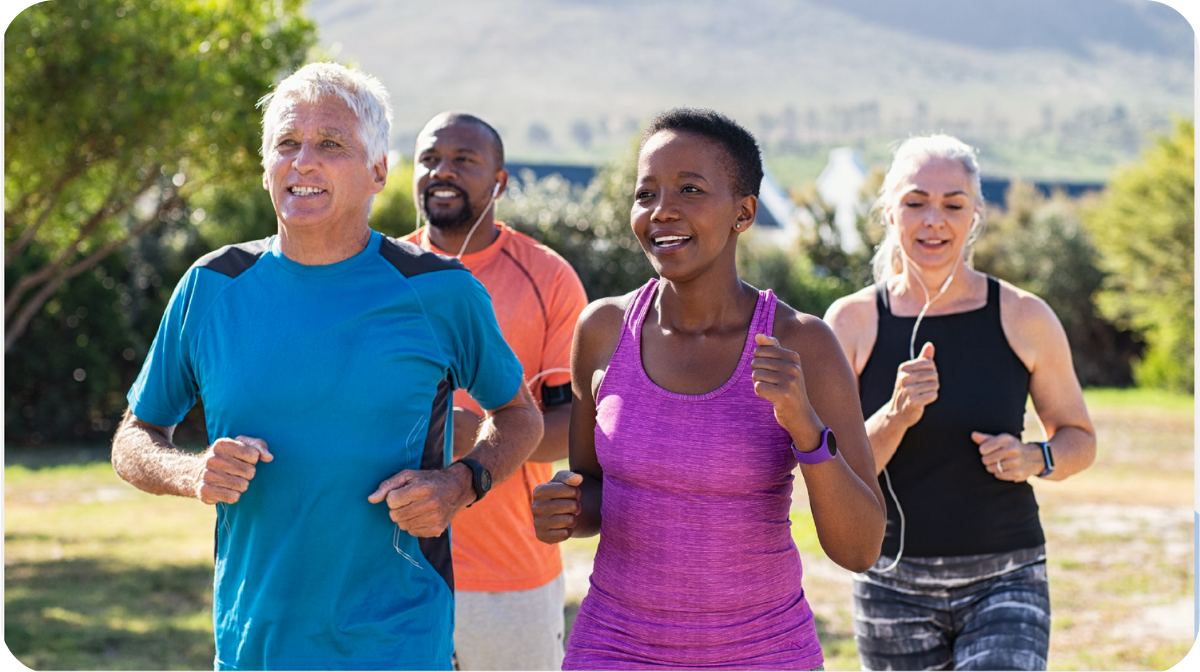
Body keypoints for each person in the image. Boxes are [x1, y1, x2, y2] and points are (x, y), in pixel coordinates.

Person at [109, 63, 544, 671]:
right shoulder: (211, 287)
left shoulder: (441, 292)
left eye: (331, 144)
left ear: (378, 171)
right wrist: (191, 473)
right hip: (251, 648)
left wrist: (460, 483)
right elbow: (134, 438)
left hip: (399, 645)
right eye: (287, 144)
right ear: (266, 169)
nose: (303, 161)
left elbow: (521, 416)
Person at [531, 108, 887, 670]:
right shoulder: (601, 332)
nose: (660, 210)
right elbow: (595, 491)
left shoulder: (802, 343)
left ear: (744, 213)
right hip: (615, 647)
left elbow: (860, 548)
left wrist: (804, 426)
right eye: (645, 193)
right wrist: (568, 508)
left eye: (689, 189)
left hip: (762, 653)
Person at [823, 135, 1097, 671]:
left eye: (953, 206)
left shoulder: (1023, 316)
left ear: (975, 216)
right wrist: (895, 416)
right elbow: (836, 475)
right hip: (890, 583)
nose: (933, 221)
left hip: (1007, 575)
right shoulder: (850, 323)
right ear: (888, 210)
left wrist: (1036, 457)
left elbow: (1079, 439)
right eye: (916, 202)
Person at [401, 111, 588, 671]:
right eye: (430, 159)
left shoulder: (549, 277)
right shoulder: (375, 273)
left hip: (510, 573)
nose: (442, 172)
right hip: (388, 567)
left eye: (463, 160)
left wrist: (478, 436)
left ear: (499, 182)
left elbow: (576, 426)